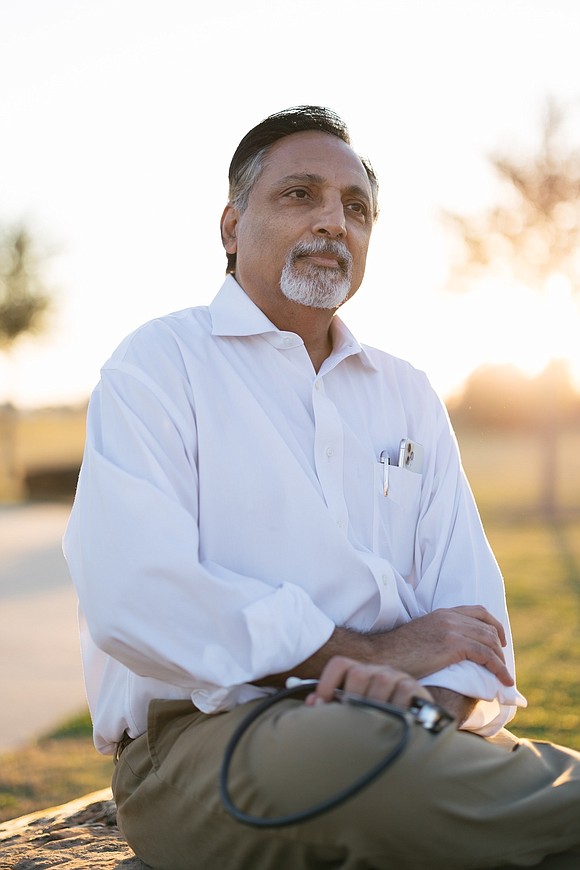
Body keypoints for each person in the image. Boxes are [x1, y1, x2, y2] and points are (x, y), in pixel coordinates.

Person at [64, 106, 580, 869]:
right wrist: (368, 651)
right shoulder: (159, 365)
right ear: (232, 227)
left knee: (377, 750)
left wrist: (420, 702)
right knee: (349, 752)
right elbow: (136, 595)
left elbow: (474, 623)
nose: (335, 221)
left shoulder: (406, 392)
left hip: (406, 731)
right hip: (205, 741)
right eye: (300, 194)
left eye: (356, 207)